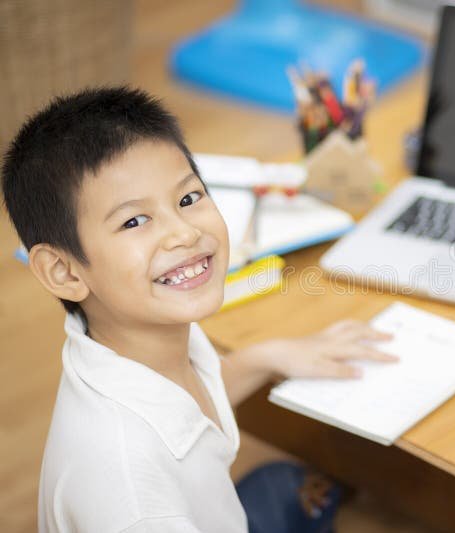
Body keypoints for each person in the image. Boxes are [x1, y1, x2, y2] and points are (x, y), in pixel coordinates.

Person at [1, 86, 398, 532]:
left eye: (188, 198)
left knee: (287, 484)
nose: (185, 233)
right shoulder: (134, 499)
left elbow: (190, 405)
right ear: (63, 270)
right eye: (134, 221)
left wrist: (268, 356)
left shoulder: (141, 332)